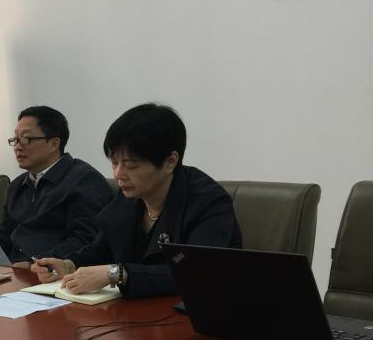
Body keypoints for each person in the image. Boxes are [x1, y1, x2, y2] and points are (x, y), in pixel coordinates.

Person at [32, 103, 241, 298]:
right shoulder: (129, 197)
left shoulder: (208, 202)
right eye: (114, 163)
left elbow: (195, 273)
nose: (119, 174)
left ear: (169, 162)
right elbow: (103, 248)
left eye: (131, 165)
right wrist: (69, 265)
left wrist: (117, 273)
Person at [0, 105, 112, 264]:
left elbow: (84, 240)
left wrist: (34, 264)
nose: (17, 146)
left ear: (54, 144)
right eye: (15, 139)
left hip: (53, 271)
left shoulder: (85, 181)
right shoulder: (17, 185)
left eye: (26, 139)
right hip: (12, 269)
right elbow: (4, 238)